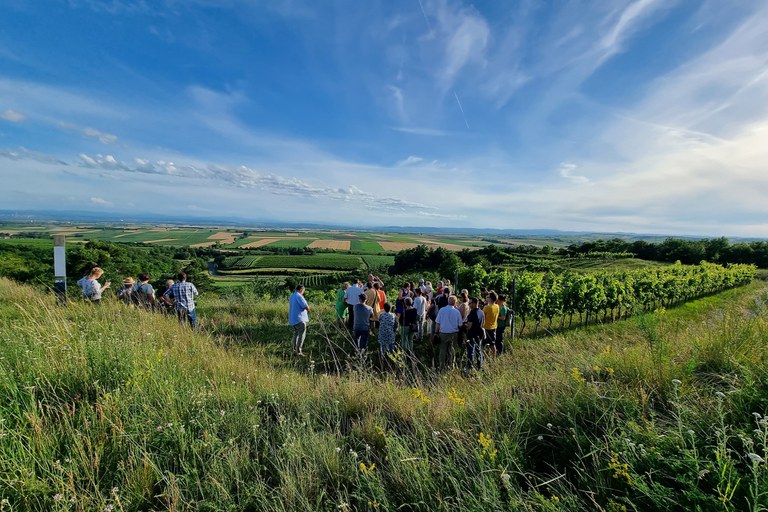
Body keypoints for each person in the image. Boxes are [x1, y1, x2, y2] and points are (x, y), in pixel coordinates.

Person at [434, 295, 463, 369]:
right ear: (455, 302)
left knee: (442, 350)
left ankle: (441, 365)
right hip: (454, 333)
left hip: (443, 332)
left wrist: (436, 332)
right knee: (452, 350)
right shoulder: (457, 312)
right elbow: (460, 324)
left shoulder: (442, 310)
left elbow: (438, 322)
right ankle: (451, 365)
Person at [288, 284, 310, 356]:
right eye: (303, 291)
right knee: (302, 335)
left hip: (293, 318)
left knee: (296, 334)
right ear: (301, 290)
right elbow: (306, 306)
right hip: (299, 319)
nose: (303, 292)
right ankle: (299, 351)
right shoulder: (299, 296)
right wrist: (309, 309)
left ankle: (294, 349)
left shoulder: (292, 296)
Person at [465, 297, 486, 371]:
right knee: (478, 350)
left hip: (472, 334)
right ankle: (480, 365)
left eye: (470, 303)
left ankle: (470, 366)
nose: (469, 304)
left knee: (471, 351)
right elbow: (483, 323)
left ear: (474, 303)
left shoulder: (472, 313)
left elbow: (469, 325)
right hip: (479, 334)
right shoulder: (481, 312)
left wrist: (466, 326)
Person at [482, 291, 500, 357]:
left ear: (491, 299)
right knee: (493, 344)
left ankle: (482, 356)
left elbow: (482, 317)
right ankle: (494, 357)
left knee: (482, 343)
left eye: (488, 296)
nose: (486, 297)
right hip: (494, 326)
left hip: (486, 327)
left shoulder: (486, 307)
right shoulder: (497, 306)